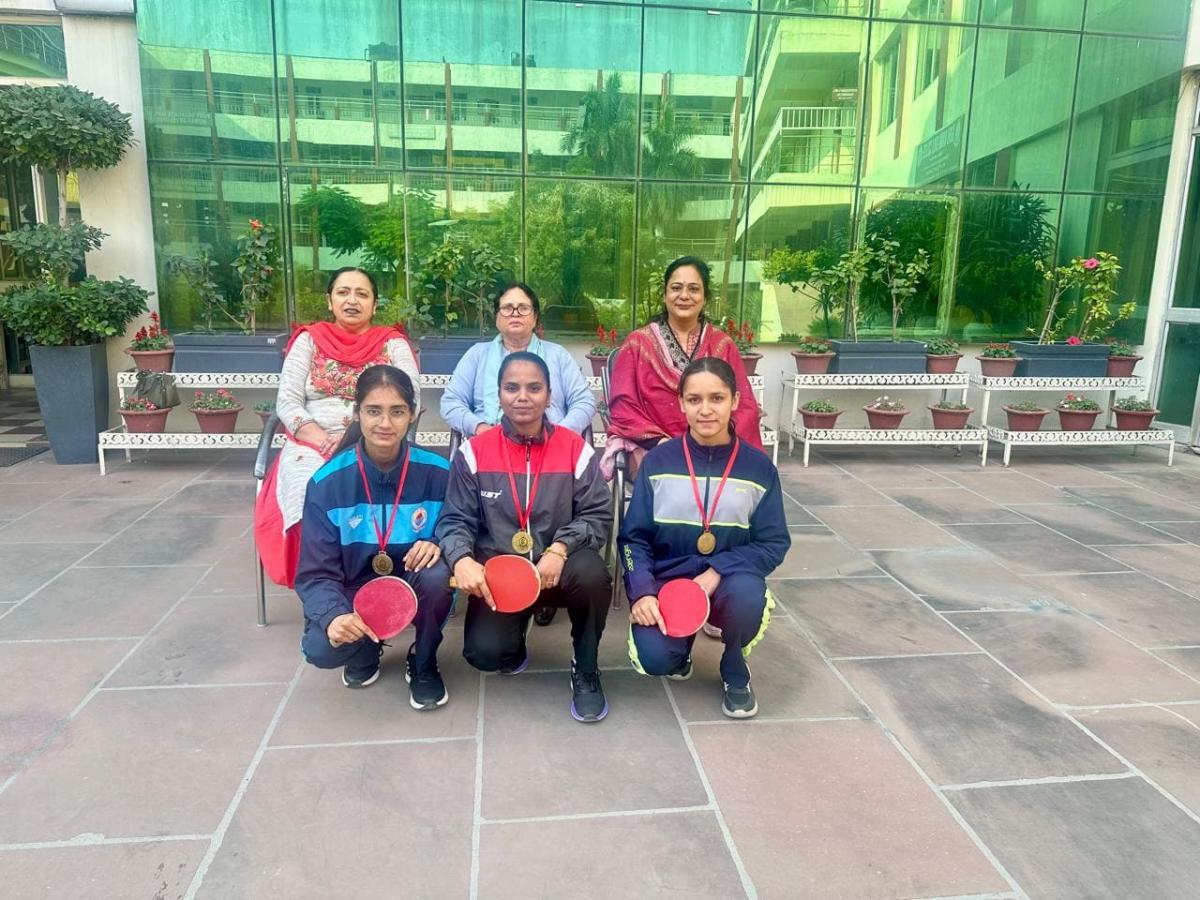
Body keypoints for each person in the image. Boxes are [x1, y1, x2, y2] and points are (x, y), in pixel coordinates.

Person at [436, 352, 613, 723]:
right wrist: (461, 558)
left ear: (549, 395)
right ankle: (515, 630)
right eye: (511, 387)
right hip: (501, 576)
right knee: (487, 656)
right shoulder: (473, 453)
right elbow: (455, 519)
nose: (522, 397)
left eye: (534, 388)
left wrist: (561, 548)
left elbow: (598, 515)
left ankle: (586, 666)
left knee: (593, 573)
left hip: (558, 569)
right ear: (498, 394)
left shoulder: (575, 449)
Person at [619, 357, 790, 719]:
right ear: (681, 403)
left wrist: (718, 569)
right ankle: (678, 652)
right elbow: (634, 538)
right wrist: (642, 591)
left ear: (735, 400)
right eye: (694, 399)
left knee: (747, 598)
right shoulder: (658, 462)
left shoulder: (758, 468)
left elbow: (774, 543)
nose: (706, 410)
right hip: (669, 578)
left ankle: (734, 666)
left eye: (717, 398)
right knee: (656, 658)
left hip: (730, 579)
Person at [295, 365, 454, 711]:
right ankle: (365, 645)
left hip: (413, 581)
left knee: (437, 575)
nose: (385, 423)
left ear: (413, 415)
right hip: (354, 589)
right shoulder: (327, 483)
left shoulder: (439, 472)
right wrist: (334, 616)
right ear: (356, 414)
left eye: (397, 411)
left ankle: (424, 661)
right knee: (321, 648)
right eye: (373, 411)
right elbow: (315, 572)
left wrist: (438, 540)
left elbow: (460, 524)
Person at [255, 267, 420, 588]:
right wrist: (322, 439)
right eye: (343, 292)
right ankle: (321, 585)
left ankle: (375, 580)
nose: (352, 300)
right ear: (329, 301)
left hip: (376, 440)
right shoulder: (308, 340)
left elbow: (410, 396)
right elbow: (287, 402)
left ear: (375, 304)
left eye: (362, 294)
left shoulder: (393, 344)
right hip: (311, 442)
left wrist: (353, 437)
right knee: (306, 489)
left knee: (375, 492)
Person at [602, 256, 762, 479]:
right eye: (676, 288)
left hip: (716, 449)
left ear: (705, 298)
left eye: (694, 289)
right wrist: (663, 443)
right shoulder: (637, 344)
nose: (684, 295)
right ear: (665, 295)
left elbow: (745, 406)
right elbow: (623, 406)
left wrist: (715, 441)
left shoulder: (723, 345)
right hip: (656, 449)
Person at [440, 281, 595, 438]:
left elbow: (583, 402)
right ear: (496, 317)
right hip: (489, 442)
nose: (515, 314)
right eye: (507, 308)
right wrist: (479, 428)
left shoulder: (558, 355)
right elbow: (451, 402)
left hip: (548, 443)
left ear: (535, 318)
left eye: (523, 308)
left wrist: (560, 435)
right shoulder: (477, 355)